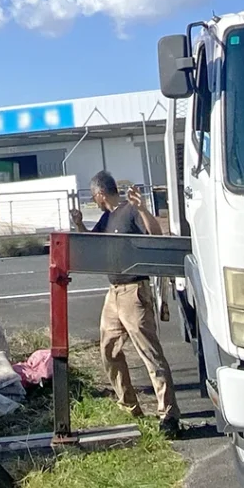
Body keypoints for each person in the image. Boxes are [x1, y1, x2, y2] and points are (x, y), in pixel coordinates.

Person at [70, 170, 181, 437]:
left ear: (99, 194)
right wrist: (80, 226)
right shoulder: (107, 218)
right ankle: (129, 406)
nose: (95, 200)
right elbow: (95, 245)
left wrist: (142, 208)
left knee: (149, 353)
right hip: (114, 292)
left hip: (134, 291)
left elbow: (155, 234)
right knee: (108, 349)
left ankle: (168, 414)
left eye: (94, 196)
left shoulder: (130, 211)